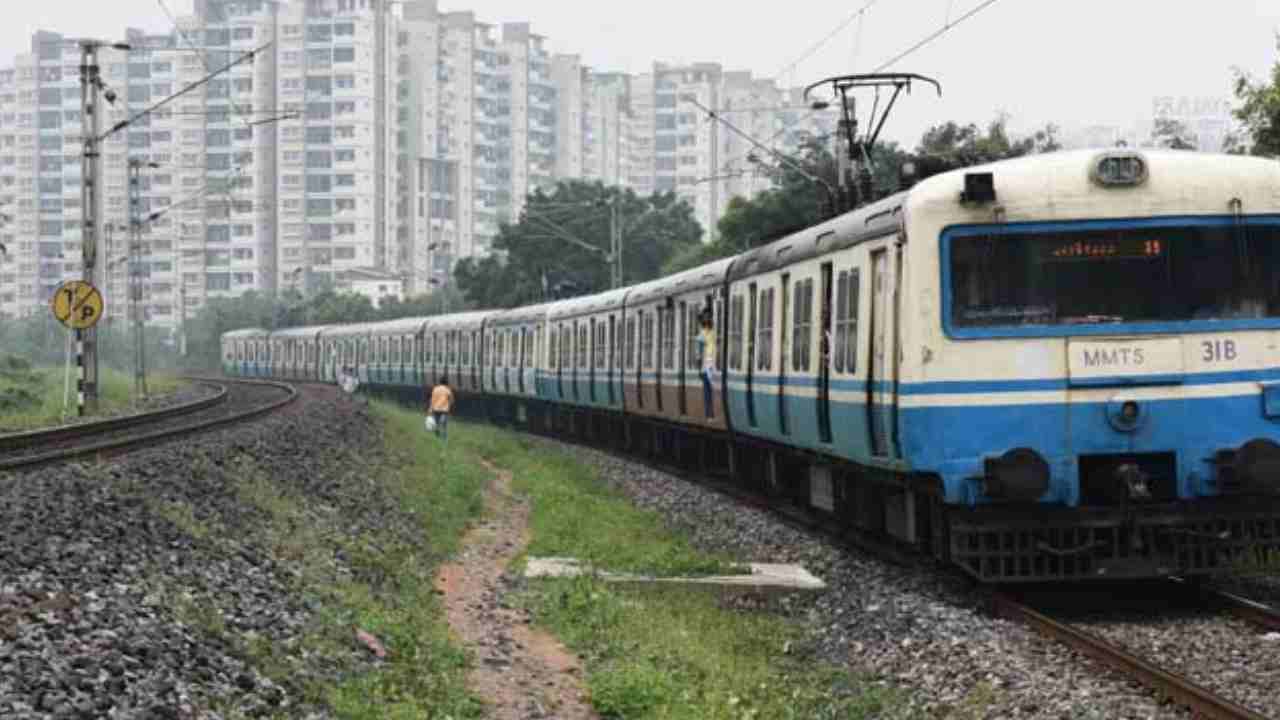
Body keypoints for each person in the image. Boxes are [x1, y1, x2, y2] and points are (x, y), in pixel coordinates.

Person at [696, 308, 716, 419]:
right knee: (707, 392)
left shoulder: (712, 332)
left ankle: (710, 413)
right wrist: (699, 368)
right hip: (706, 366)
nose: (708, 319)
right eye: (705, 317)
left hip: (712, 364)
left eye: (709, 316)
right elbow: (698, 353)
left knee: (709, 391)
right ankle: (709, 414)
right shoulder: (702, 335)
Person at [428, 376, 455, 441]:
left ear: (439, 382)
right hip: (444, 409)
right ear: (446, 382)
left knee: (437, 423)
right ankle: (444, 438)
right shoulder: (447, 389)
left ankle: (437, 432)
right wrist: (450, 404)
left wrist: (430, 408)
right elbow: (452, 400)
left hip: (435, 409)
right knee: (444, 424)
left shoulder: (435, 389)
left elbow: (432, 399)